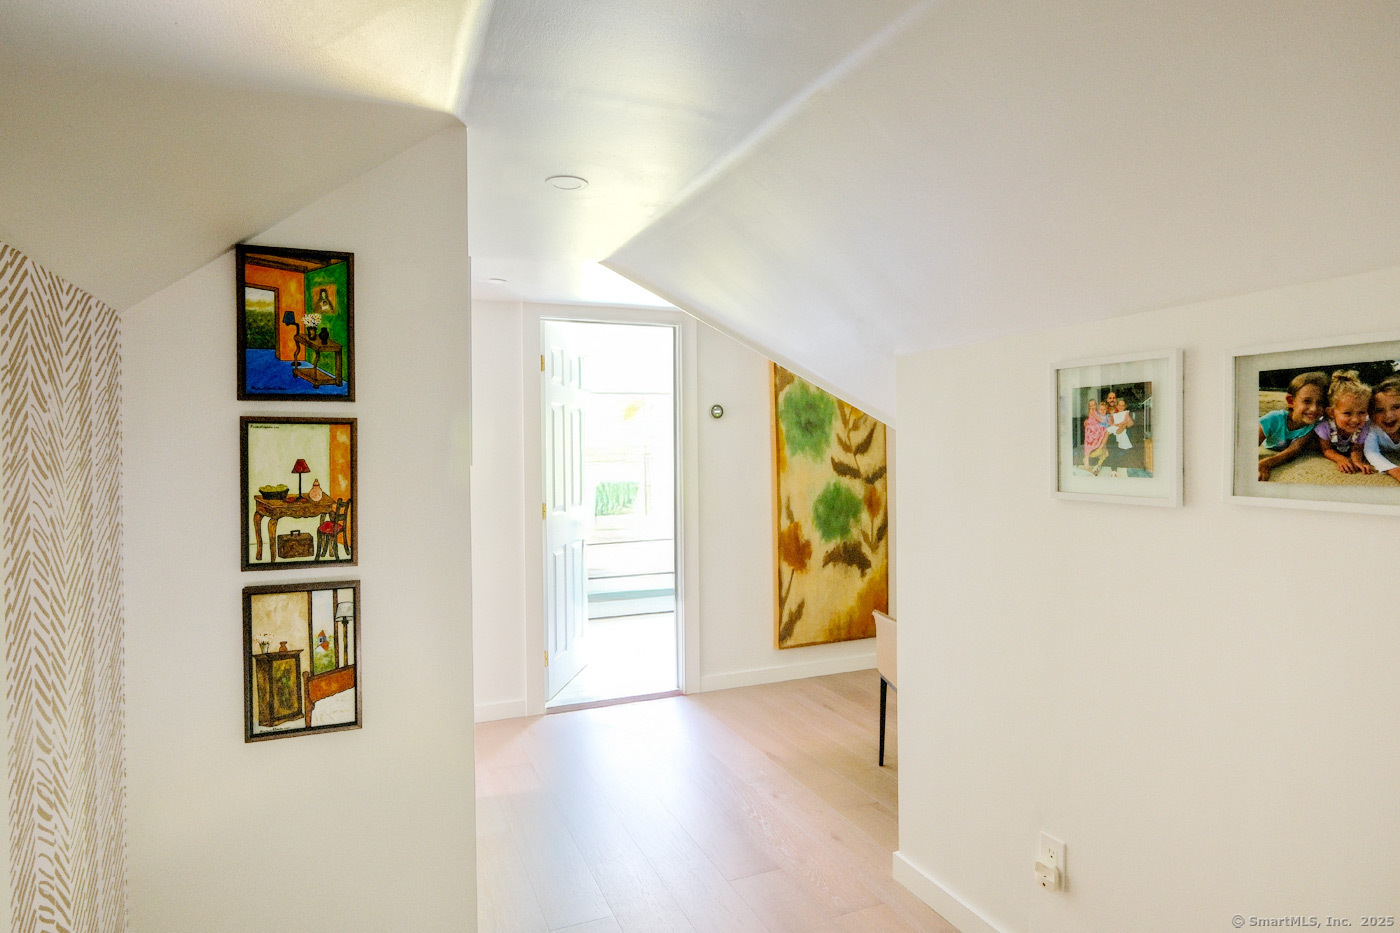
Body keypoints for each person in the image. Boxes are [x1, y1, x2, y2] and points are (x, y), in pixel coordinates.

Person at [1258, 371, 1327, 480]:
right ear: (1291, 401)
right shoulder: (1274, 419)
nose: (1314, 408)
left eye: (1320, 403)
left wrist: (1267, 463)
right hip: (1269, 445)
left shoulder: (1313, 426)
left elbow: (1294, 450)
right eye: (1307, 401)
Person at [1315, 370, 1373, 474]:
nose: (1355, 419)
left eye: (1362, 412)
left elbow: (1357, 448)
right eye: (1347, 413)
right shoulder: (1324, 427)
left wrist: (1356, 461)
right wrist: (1341, 459)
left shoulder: (1364, 426)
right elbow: (1326, 449)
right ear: (1332, 412)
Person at [1363, 375, 1400, 482]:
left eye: (1396, 407)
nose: (1388, 415)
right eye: (1379, 410)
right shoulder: (1372, 425)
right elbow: (1371, 451)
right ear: (1371, 414)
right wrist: (1395, 470)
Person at [1082, 400, 1108, 473]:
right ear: (1089, 407)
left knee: (1102, 432)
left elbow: (1100, 416)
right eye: (1091, 406)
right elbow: (1097, 418)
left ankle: (1104, 449)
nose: (1093, 407)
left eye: (1094, 405)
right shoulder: (1092, 411)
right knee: (1089, 444)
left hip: (1095, 427)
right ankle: (1086, 459)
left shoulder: (1096, 411)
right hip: (1091, 429)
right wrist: (1103, 421)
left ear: (1096, 405)